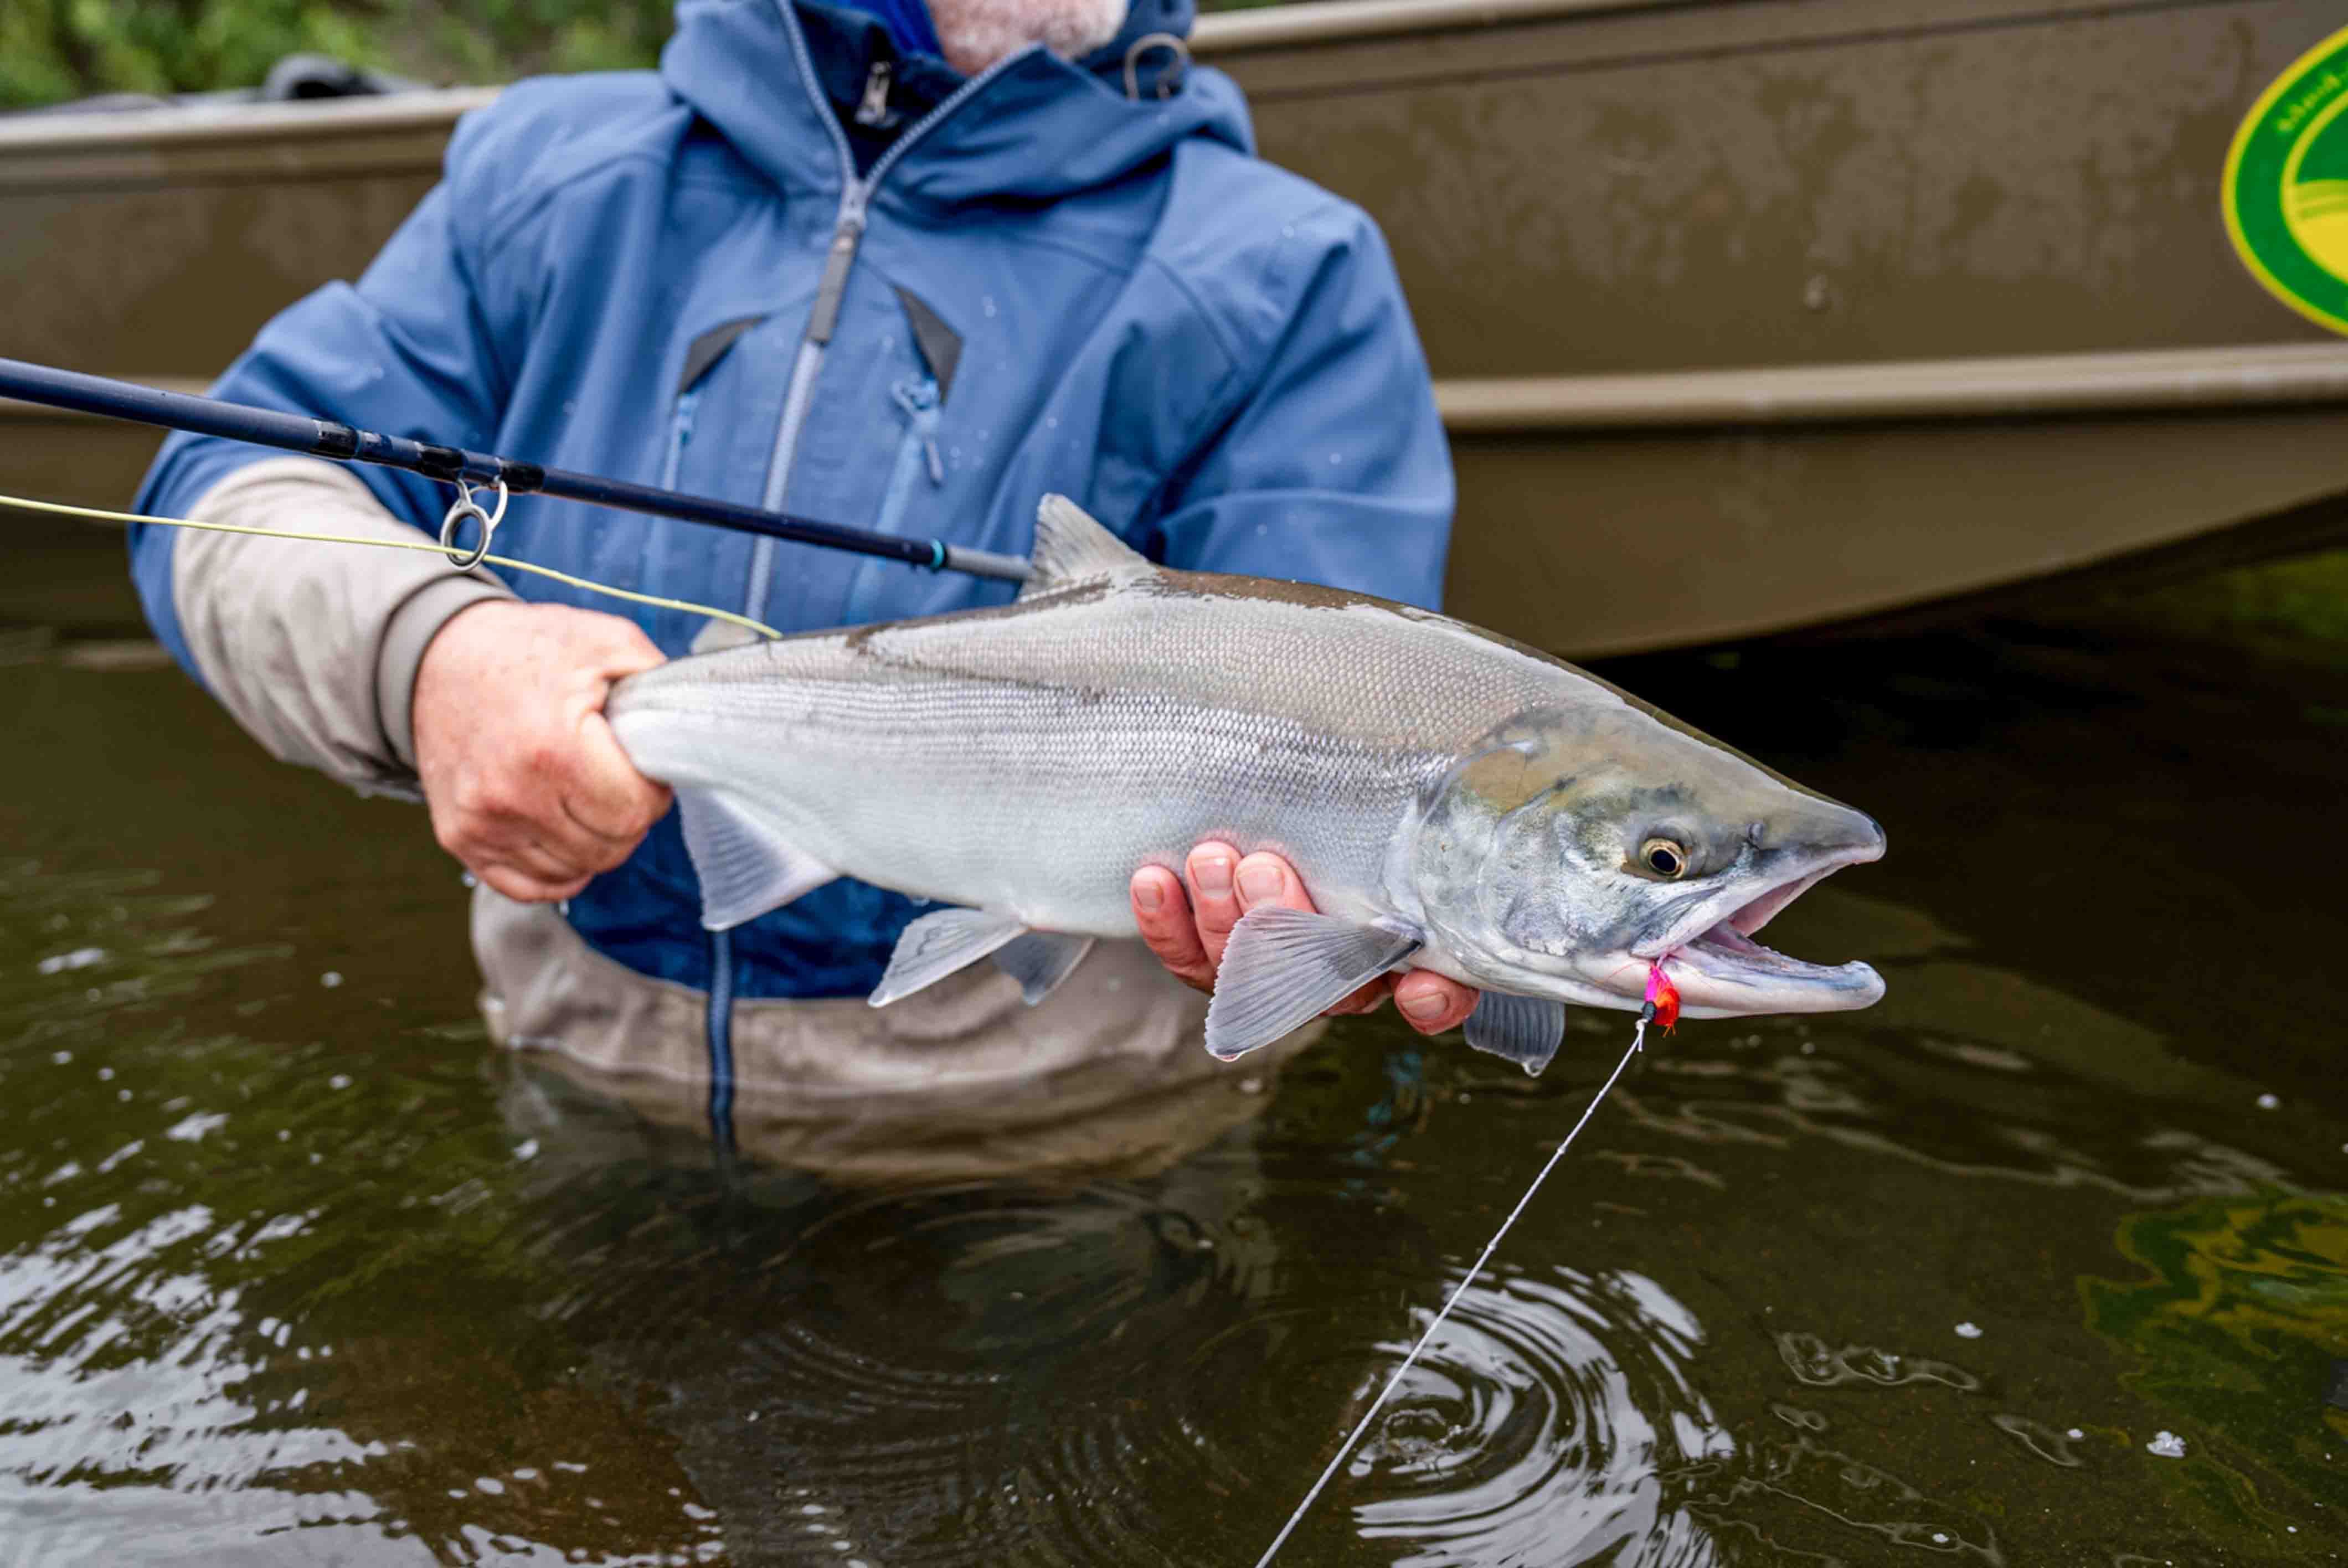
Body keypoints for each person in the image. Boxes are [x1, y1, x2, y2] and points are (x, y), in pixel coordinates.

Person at [129, 0, 1481, 1137]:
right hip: (581, 1078)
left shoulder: (1289, 273)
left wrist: (1331, 931)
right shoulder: (546, 171)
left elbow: (1359, 731)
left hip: (1056, 1139)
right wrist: (426, 658)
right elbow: (216, 493)